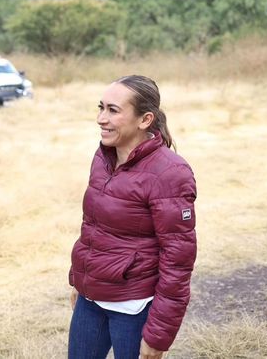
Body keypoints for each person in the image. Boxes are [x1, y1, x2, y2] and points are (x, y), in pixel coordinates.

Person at [68, 75, 197, 359]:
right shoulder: (103, 157)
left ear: (144, 119)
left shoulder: (170, 173)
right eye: (100, 108)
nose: (101, 118)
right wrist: (79, 280)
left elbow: (178, 262)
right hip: (91, 301)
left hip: (134, 308)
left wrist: (158, 336)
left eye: (113, 110)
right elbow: (92, 228)